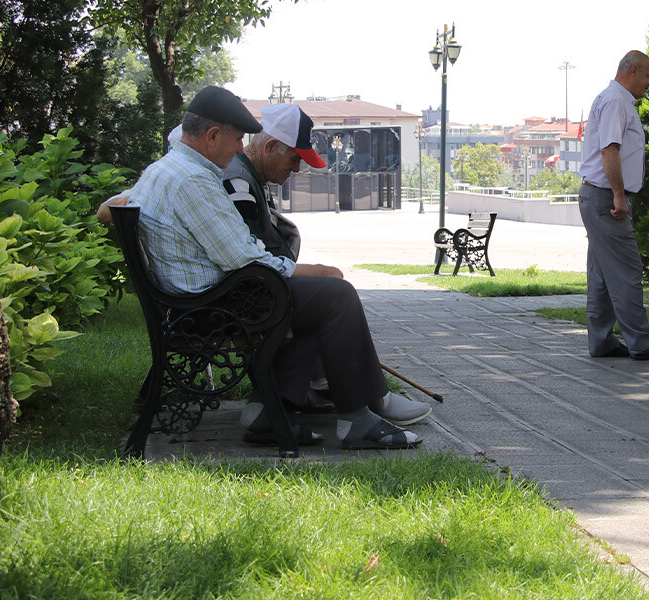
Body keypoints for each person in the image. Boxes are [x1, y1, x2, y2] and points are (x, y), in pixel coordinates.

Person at [124, 86, 421, 449]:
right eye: (235, 140)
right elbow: (242, 258)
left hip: (194, 301)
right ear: (213, 135)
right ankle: (357, 419)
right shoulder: (193, 179)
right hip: (212, 307)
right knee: (335, 296)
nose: (238, 149)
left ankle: (272, 412)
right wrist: (305, 271)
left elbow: (119, 208)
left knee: (315, 301)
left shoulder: (166, 168)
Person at [220, 101, 431, 426]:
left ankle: (285, 397)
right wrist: (313, 272)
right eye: (294, 159)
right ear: (272, 146)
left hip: (251, 289)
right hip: (251, 294)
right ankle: (367, 400)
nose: (297, 170)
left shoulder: (247, 179)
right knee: (335, 293)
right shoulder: (239, 184)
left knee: (324, 292)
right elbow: (248, 256)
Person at [576, 50, 649, 361]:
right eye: (648, 76)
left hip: (599, 196)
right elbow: (610, 151)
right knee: (627, 270)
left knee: (602, 274)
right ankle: (642, 343)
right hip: (607, 198)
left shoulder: (614, 100)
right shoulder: (615, 101)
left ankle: (602, 342)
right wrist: (620, 196)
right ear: (632, 70)